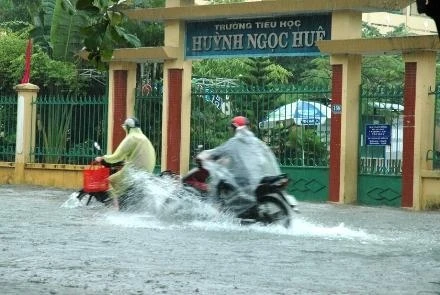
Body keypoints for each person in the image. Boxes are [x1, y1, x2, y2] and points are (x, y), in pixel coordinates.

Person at [196, 115, 281, 216]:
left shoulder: (234, 142)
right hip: (258, 177)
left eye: (232, 128)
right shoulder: (255, 141)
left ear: (235, 129)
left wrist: (204, 156)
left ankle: (216, 210)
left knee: (219, 182)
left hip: (242, 179)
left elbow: (218, 152)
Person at [95, 117, 156, 209]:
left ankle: (115, 209)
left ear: (128, 127)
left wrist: (103, 158)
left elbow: (116, 157)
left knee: (108, 181)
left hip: (133, 171)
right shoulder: (144, 138)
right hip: (147, 172)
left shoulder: (131, 138)